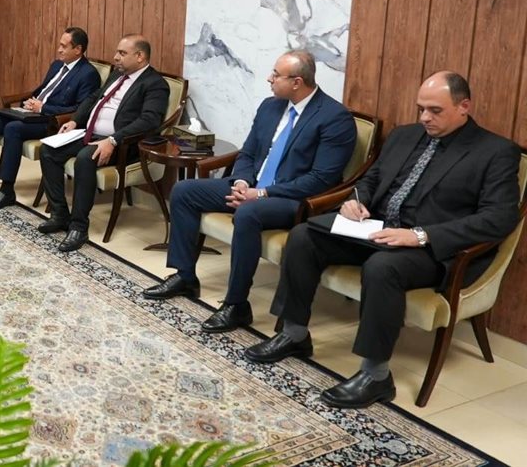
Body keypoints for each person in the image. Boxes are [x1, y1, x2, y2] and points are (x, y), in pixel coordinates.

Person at [244, 72, 522, 409]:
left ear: (464, 106)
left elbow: (499, 218)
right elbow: (371, 179)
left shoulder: (495, 152)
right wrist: (355, 201)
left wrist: (419, 235)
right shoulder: (406, 135)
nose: (424, 118)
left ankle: (376, 375)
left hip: (430, 248)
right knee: (303, 236)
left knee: (382, 267)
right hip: (375, 229)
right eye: (421, 109)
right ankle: (294, 334)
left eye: (435, 111)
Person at [142, 51, 356, 333]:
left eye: (276, 75)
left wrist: (262, 194)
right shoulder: (271, 106)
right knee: (184, 191)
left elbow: (321, 180)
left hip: (293, 199)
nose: (269, 78)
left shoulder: (335, 118)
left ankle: (236, 305)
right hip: (252, 188)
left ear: (297, 82)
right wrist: (242, 181)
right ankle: (185, 276)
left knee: (248, 213)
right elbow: (248, 153)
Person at [38, 34, 170, 252]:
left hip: (122, 144)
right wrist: (75, 120)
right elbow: (93, 98)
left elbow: (150, 121)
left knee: (85, 158)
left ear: (140, 56)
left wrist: (114, 139)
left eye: (122, 53)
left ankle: (79, 227)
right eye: (117, 52)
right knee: (48, 150)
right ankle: (60, 215)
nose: (116, 57)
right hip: (89, 133)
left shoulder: (155, 84)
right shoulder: (117, 74)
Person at [0, 27, 101, 211]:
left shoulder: (88, 74)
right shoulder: (57, 65)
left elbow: (80, 110)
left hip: (53, 121)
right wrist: (30, 102)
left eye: (64, 46)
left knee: (13, 128)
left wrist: (43, 108)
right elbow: (43, 90)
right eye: (59, 45)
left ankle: (7, 190)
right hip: (32, 113)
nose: (59, 49)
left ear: (78, 49)